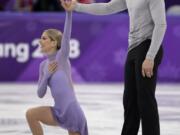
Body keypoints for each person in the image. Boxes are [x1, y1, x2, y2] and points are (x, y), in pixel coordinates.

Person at [60, 0, 167, 135]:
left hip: (148, 46)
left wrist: (150, 57)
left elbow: (161, 25)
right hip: (133, 48)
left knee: (145, 99)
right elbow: (107, 8)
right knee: (129, 101)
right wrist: (77, 6)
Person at [25, 4, 88, 135]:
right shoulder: (43, 66)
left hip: (71, 111)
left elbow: (66, 36)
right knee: (31, 114)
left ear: (54, 43)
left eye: (44, 38)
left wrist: (69, 13)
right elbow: (40, 94)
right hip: (58, 111)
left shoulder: (62, 58)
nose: (40, 41)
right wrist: (47, 75)